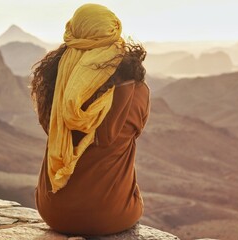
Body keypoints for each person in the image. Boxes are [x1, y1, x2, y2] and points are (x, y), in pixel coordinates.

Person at [31, 3, 151, 236]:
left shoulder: (55, 83)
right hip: (113, 216)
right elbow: (135, 132)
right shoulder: (136, 90)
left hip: (53, 211)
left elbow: (48, 126)